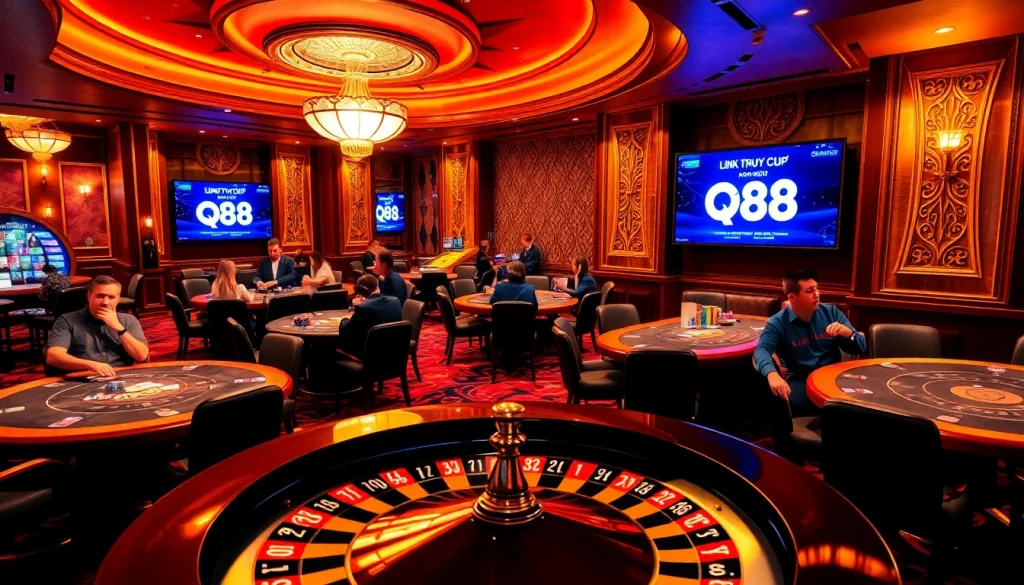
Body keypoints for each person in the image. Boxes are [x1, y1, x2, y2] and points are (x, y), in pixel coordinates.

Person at [753, 269, 866, 414]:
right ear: (793, 297)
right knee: (835, 408)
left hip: (833, 377)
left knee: (861, 403)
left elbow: (860, 347)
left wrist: (848, 332)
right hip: (801, 381)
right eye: (809, 291)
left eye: (817, 289)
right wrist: (772, 374)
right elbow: (761, 350)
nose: (817, 294)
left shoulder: (831, 312)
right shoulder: (778, 322)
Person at [46, 275, 149, 376]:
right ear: (89, 296)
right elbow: (53, 357)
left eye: (111, 297)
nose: (105, 302)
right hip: (84, 379)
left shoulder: (129, 320)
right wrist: (90, 365)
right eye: (100, 296)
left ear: (118, 300)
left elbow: (141, 356)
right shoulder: (67, 321)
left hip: (121, 376)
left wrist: (119, 329)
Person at [337, 274, 402, 359]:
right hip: (393, 352)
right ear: (377, 287)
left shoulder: (363, 307)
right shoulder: (395, 301)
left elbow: (346, 331)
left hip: (369, 356)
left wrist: (345, 319)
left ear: (361, 291)